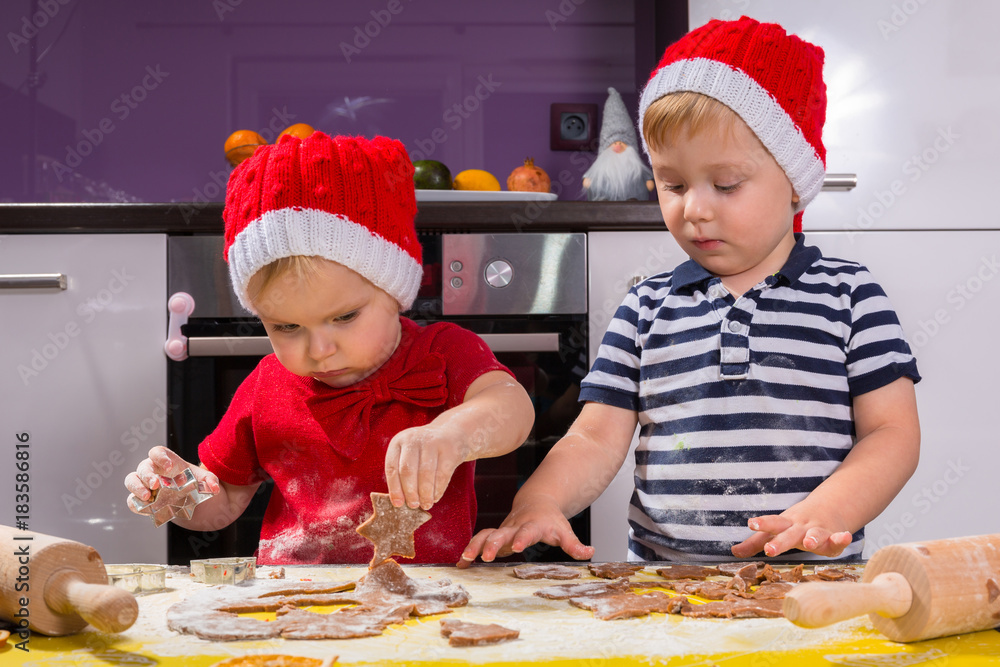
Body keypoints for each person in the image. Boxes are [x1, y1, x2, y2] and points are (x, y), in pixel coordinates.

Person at [461, 16, 921, 565]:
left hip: (811, 593)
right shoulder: (645, 308)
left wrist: (829, 510)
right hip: (664, 591)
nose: (694, 210)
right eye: (673, 184)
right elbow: (594, 439)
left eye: (726, 185)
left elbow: (892, 435)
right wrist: (539, 499)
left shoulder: (849, 297)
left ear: (796, 185)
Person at [125, 132, 534, 565]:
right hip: (294, 609)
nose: (320, 349)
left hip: (429, 608)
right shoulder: (266, 386)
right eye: (286, 326)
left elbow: (513, 411)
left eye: (344, 317)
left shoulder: (446, 351)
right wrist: (176, 495)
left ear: (394, 292)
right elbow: (222, 502)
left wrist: (454, 434)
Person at [582, 87, 654, 201]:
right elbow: (588, 180)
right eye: (613, 143)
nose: (618, 146)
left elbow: (649, 183)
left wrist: (648, 182)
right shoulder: (600, 169)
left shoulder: (637, 171)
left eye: (622, 143)